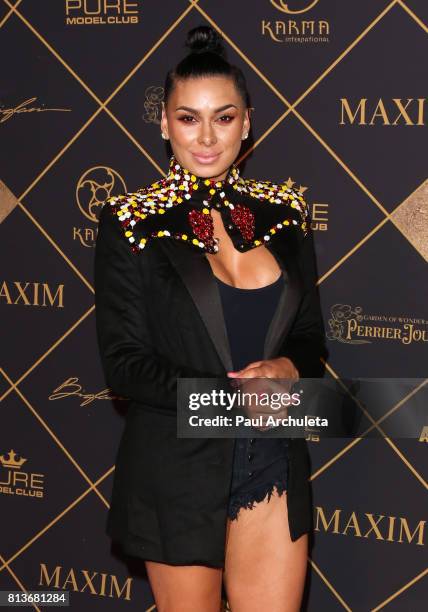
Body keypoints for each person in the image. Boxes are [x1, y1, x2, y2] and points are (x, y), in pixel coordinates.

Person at [94, 24, 328, 612]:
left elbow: (308, 336)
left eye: (222, 118)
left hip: (272, 456)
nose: (205, 137)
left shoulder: (283, 213)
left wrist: (286, 368)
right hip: (179, 467)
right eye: (188, 117)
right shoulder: (131, 222)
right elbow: (125, 367)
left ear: (247, 122)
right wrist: (225, 400)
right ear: (164, 123)